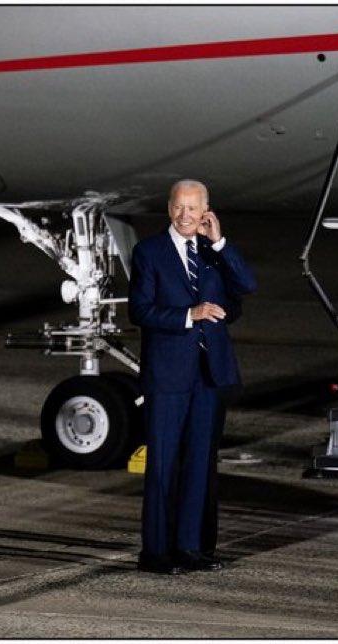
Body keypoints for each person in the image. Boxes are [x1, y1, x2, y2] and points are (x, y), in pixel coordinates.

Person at [128, 179, 256, 575]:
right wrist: (190, 315)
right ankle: (156, 554)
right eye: (179, 207)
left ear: (206, 212)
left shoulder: (212, 252)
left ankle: (192, 548)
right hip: (168, 374)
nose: (186, 216)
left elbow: (246, 287)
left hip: (209, 374)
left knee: (201, 464)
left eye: (194, 208)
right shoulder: (149, 251)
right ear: (169, 209)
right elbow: (140, 311)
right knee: (164, 465)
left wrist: (219, 244)